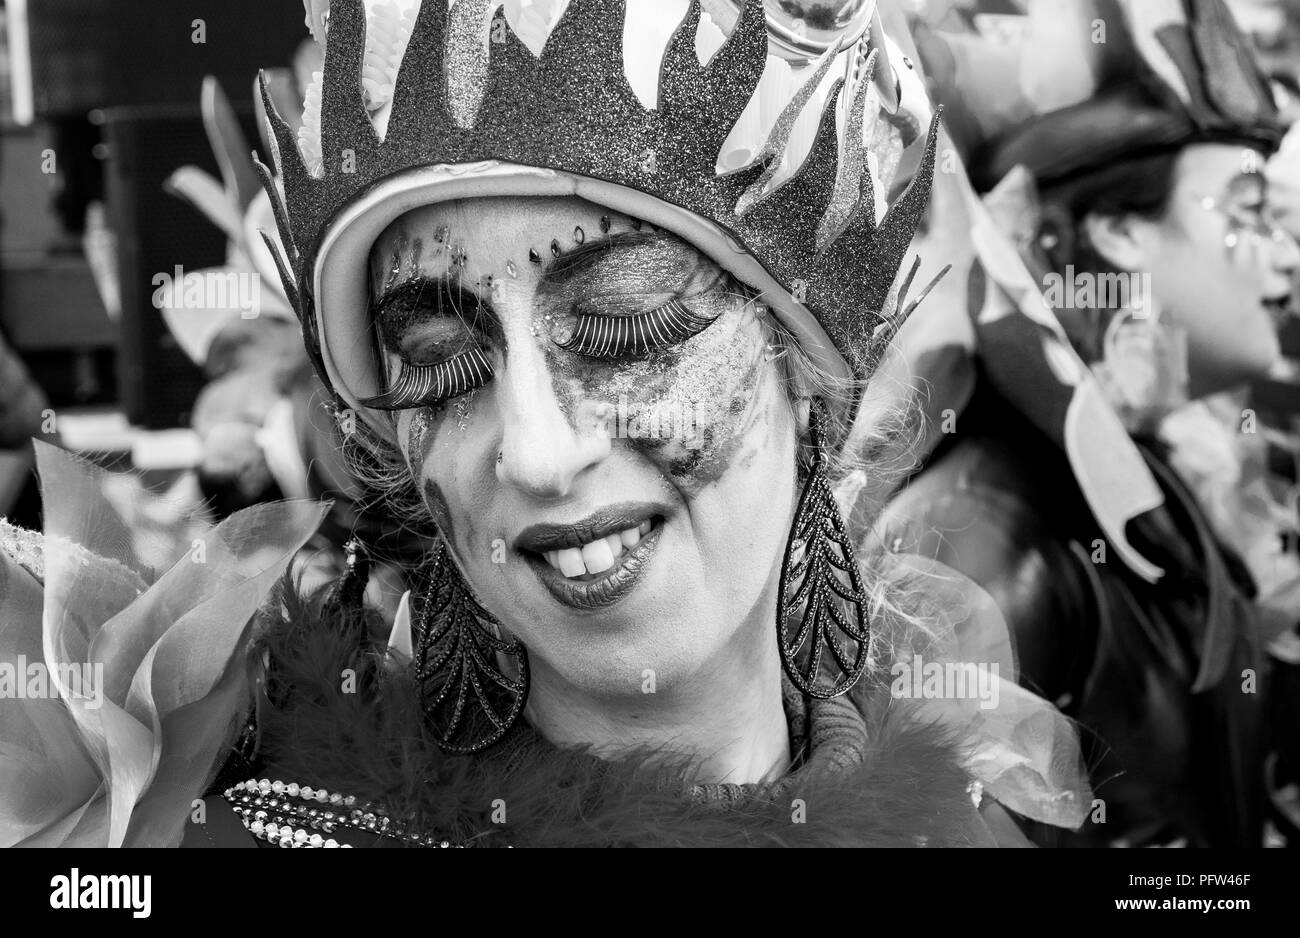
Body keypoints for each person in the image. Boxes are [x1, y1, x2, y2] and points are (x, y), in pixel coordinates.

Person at [0, 0, 1088, 848]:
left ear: (808, 372)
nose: (535, 448)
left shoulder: (971, 820)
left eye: (623, 327)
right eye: (443, 363)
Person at [888, 0, 1298, 846]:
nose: (1289, 253)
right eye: (1250, 209)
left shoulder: (1151, 484)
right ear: (1116, 231)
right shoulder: (977, 539)